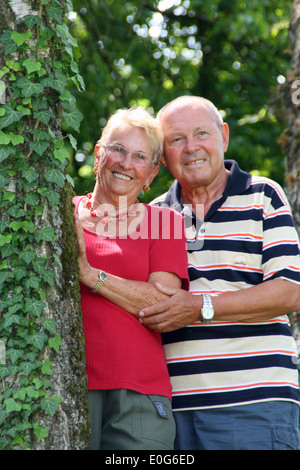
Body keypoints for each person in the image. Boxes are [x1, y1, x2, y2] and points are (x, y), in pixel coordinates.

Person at [138, 95, 300, 450]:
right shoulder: (153, 215)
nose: (191, 147)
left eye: (201, 134)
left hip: (253, 407)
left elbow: (289, 290)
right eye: (176, 139)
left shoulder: (263, 196)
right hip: (169, 415)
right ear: (163, 156)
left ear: (223, 136)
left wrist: (200, 306)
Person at [73, 106, 189, 450]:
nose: (126, 163)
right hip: (67, 385)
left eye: (140, 157)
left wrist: (91, 276)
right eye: (118, 150)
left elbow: (164, 307)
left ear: (151, 173)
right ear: (98, 155)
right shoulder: (62, 214)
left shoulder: (164, 223)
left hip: (139, 394)